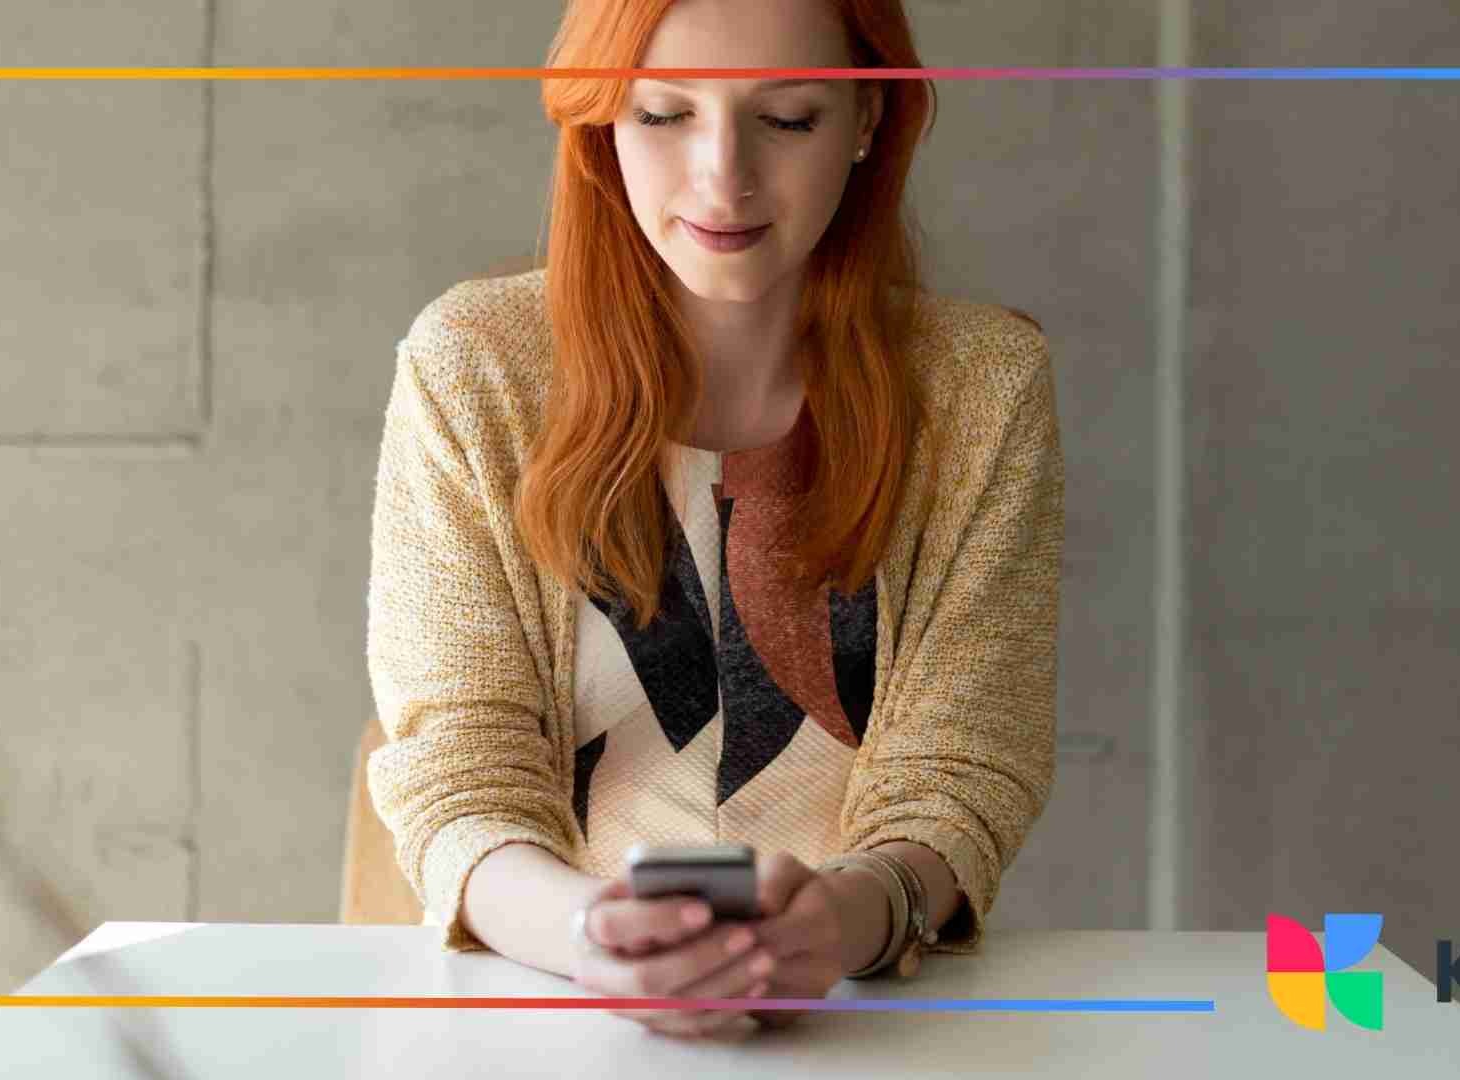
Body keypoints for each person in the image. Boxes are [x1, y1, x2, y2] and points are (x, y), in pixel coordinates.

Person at [364, 0, 1063, 1042]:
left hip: (877, 1032)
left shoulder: (981, 390)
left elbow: (962, 773)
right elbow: (462, 773)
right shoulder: (475, 367)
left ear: (869, 119)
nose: (722, 179)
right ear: (601, 121)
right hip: (541, 1021)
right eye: (663, 116)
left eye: (786, 120)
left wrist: (844, 920)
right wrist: (597, 937)